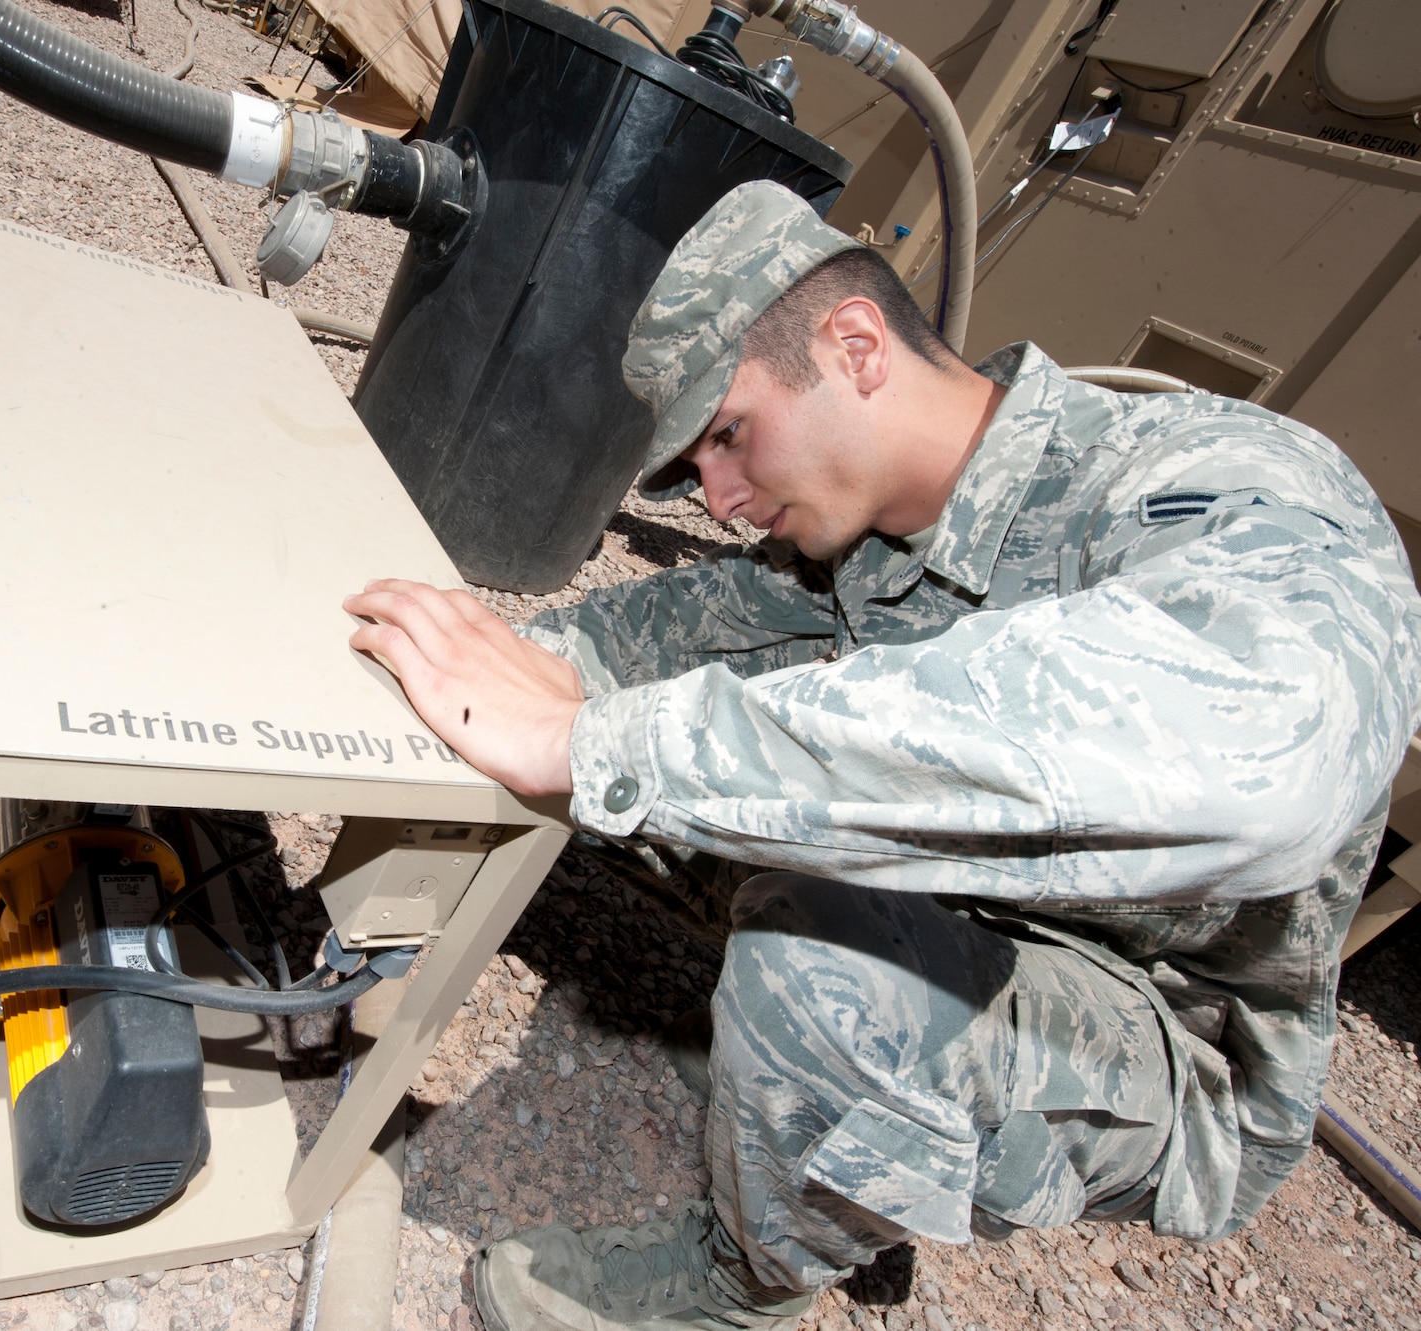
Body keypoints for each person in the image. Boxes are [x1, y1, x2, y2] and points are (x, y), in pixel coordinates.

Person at [342, 181, 1421, 1331]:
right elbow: (592, 660)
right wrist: (439, 675)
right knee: (641, 771)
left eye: (725, 435)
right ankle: (840, 1094)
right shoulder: (858, 541)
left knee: (795, 936)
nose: (716, 500)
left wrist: (592, 740)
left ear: (854, 346)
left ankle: (742, 1281)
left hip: (1162, 1031)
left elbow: (1262, 762)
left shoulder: (1209, 479)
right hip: (977, 909)